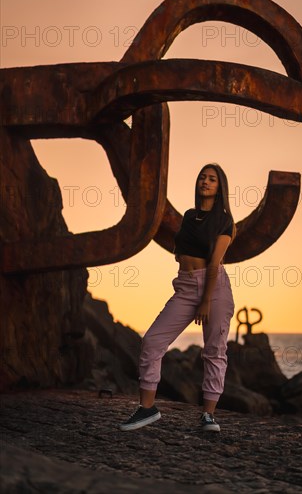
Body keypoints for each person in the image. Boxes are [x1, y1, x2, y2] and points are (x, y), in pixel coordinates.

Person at [120, 163, 236, 432]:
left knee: (214, 351)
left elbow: (215, 263)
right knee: (152, 340)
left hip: (214, 287)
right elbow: (180, 248)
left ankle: (208, 414)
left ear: (220, 188)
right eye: (202, 178)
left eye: (212, 179)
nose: (205, 182)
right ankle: (147, 409)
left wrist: (205, 301)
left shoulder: (224, 221)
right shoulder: (188, 215)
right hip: (185, 287)